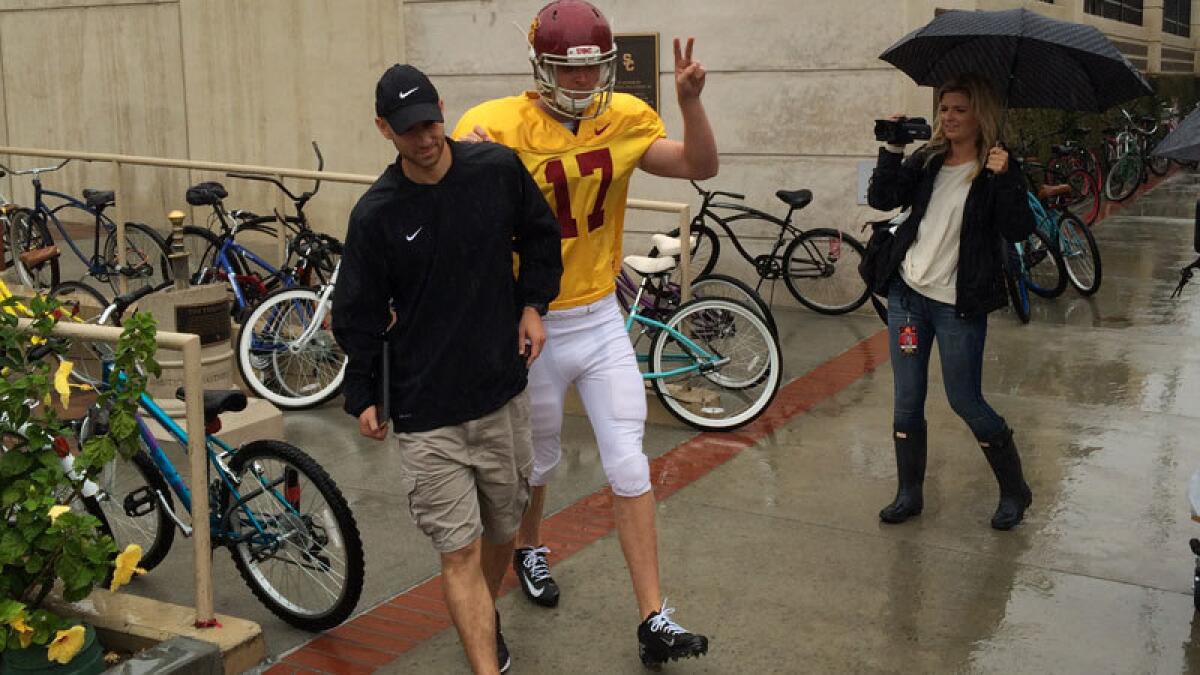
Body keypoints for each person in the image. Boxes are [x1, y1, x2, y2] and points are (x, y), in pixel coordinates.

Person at [452, 0, 717, 667]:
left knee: (628, 461)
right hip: (530, 318)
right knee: (529, 472)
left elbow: (699, 165)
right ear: (540, 67)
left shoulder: (623, 117)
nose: (581, 83)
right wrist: (467, 174)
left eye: (592, 70)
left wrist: (690, 103)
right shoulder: (493, 124)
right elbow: (454, 212)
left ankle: (654, 615)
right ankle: (515, 570)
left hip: (598, 315)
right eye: (568, 72)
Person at [332, 64, 562, 674]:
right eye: (409, 129)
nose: (426, 138)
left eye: (432, 121)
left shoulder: (497, 171)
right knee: (457, 552)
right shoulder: (376, 215)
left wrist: (534, 305)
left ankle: (482, 614)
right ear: (385, 129)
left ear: (442, 109)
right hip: (426, 413)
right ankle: (485, 659)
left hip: (499, 393)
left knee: (504, 529)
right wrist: (364, 396)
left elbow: (541, 237)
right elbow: (354, 316)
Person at [867, 72, 1036, 531]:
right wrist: (894, 148)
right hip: (908, 296)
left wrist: (1004, 179)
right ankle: (909, 493)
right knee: (906, 400)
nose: (950, 117)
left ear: (980, 114)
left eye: (960, 109)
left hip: (957, 304)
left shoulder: (999, 166)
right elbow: (882, 199)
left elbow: (1019, 230)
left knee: (965, 399)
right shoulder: (928, 160)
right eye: (945, 108)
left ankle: (1015, 489)